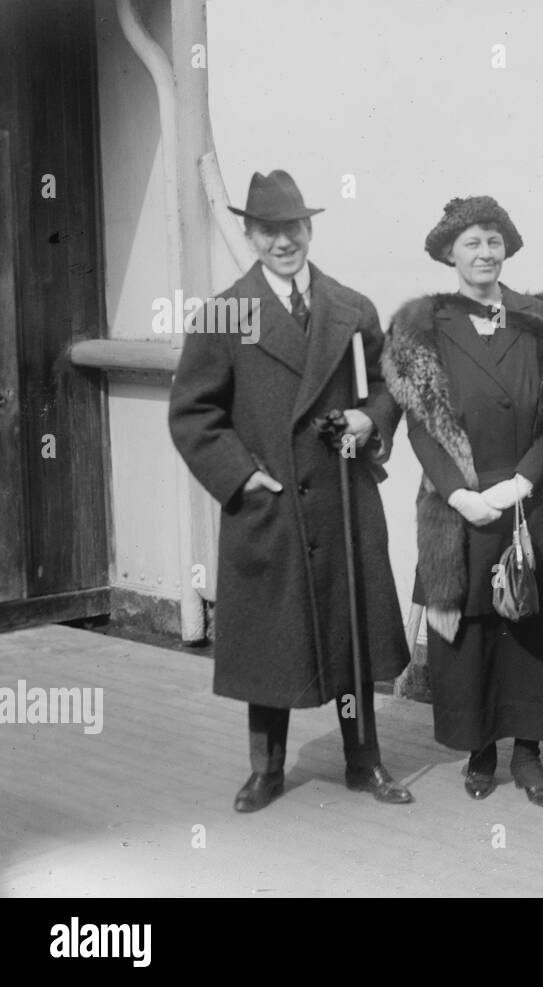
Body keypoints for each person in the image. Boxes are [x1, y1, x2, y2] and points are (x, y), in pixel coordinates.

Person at [169, 169, 412, 812]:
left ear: (310, 229)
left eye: (294, 228)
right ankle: (266, 770)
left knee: (351, 637)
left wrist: (371, 418)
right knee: (271, 643)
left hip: (339, 502)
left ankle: (365, 762)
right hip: (270, 503)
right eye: (269, 230)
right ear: (250, 235)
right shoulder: (225, 313)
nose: (284, 242)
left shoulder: (351, 307)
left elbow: (385, 386)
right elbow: (194, 413)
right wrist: (241, 476)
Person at [383, 196, 543, 807]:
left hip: (533, 499)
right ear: (449, 253)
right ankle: (480, 751)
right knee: (472, 630)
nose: (484, 252)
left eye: (494, 240)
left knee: (532, 624)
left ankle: (528, 755)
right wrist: (458, 493)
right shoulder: (422, 329)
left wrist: (523, 482)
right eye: (471, 242)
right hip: (461, 507)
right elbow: (420, 422)